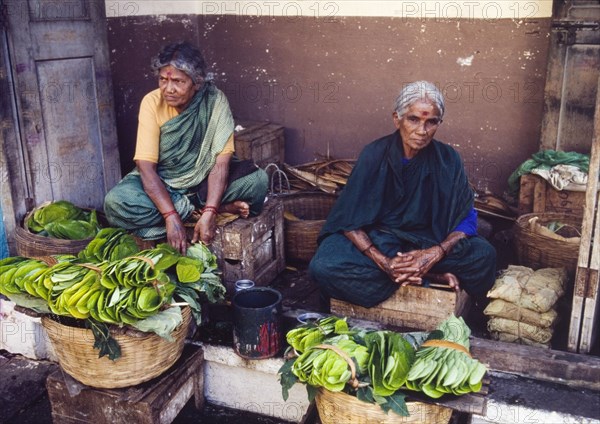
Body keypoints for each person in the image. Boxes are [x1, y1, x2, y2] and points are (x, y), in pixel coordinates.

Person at [309, 81, 496, 308]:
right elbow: (348, 220)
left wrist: (434, 254)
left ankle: (416, 272)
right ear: (397, 119)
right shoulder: (374, 155)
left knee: (483, 255)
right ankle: (428, 278)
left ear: (439, 123)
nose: (422, 131)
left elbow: (467, 218)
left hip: (430, 241)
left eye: (431, 122)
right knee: (325, 265)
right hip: (380, 241)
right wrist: (384, 262)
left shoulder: (448, 159)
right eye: (413, 119)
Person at [104, 41, 268, 254]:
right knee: (116, 203)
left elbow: (220, 164)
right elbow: (146, 168)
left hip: (203, 181)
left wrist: (209, 211)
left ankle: (203, 209)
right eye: (163, 80)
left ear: (197, 83)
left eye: (178, 81)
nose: (168, 89)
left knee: (258, 181)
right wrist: (170, 217)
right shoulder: (151, 102)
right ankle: (201, 211)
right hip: (164, 182)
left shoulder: (214, 101)